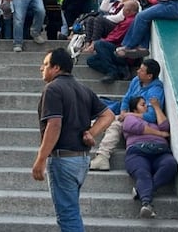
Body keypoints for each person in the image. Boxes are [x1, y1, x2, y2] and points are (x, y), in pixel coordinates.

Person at [33, 47, 115, 232]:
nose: (41, 68)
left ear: (56, 68)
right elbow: (108, 115)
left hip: (64, 160)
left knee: (68, 217)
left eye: (46, 64)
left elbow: (54, 125)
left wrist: (41, 159)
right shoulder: (83, 88)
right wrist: (91, 133)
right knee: (71, 212)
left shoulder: (53, 89)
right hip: (81, 159)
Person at [89, 58, 165, 172]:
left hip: (142, 122)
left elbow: (151, 116)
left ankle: (102, 157)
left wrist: (128, 115)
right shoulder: (136, 80)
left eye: (142, 70)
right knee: (104, 117)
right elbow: (127, 98)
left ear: (149, 76)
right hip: (128, 114)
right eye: (139, 68)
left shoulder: (155, 91)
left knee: (114, 125)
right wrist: (124, 112)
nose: (138, 71)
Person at [122, 96, 178, 219]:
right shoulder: (129, 118)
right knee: (142, 173)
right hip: (137, 151)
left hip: (160, 151)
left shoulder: (153, 119)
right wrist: (160, 134)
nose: (146, 106)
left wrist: (157, 108)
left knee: (170, 164)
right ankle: (146, 203)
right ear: (134, 109)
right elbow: (136, 127)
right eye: (142, 105)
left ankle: (140, 190)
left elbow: (165, 126)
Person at [85, 0, 140, 83]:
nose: (122, 10)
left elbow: (115, 37)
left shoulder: (129, 22)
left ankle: (112, 71)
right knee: (91, 60)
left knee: (99, 44)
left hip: (124, 53)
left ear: (128, 11)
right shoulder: (127, 20)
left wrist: (96, 44)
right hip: (118, 50)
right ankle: (120, 70)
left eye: (124, 8)